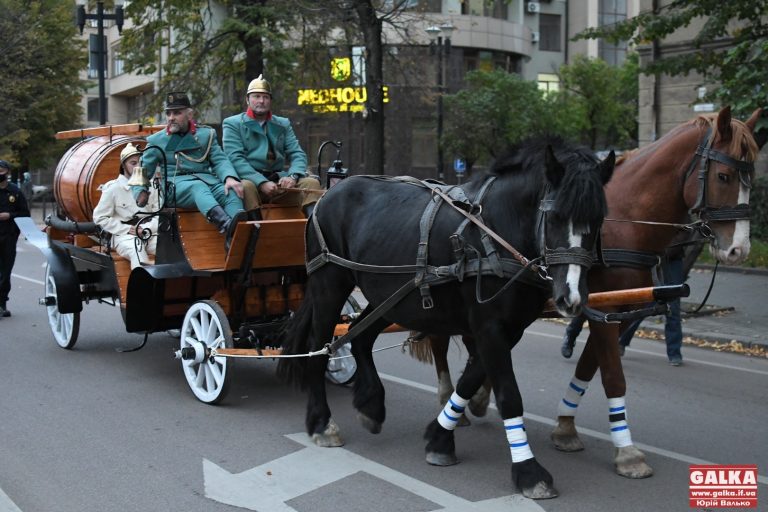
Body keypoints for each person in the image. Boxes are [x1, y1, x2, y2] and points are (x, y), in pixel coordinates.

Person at [131, 92, 246, 250]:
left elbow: (220, 159)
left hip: (207, 181)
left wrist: (229, 178)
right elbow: (141, 171)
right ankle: (227, 227)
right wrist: (140, 192)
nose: (171, 117)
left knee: (231, 191)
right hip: (175, 186)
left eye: (177, 113)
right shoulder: (157, 140)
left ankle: (238, 236)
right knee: (197, 188)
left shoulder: (206, 135)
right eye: (168, 113)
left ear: (189, 114)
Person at [222, 74, 320, 218]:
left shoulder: (282, 123)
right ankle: (256, 232)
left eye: (266, 97)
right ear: (247, 99)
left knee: (311, 184)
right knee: (246, 187)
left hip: (278, 182)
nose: (261, 101)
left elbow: (297, 154)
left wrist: (292, 177)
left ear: (270, 101)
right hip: (252, 182)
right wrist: (261, 182)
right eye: (256, 96)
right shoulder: (232, 123)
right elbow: (235, 159)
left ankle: (313, 232)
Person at [618, 244, 687, 366]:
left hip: (672, 260)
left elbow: (684, 234)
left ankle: (674, 353)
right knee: (645, 304)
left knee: (673, 307)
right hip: (653, 259)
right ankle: (622, 341)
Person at [93, 143, 160, 269]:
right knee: (137, 249)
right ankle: (142, 286)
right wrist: (127, 229)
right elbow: (100, 217)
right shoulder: (113, 188)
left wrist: (147, 228)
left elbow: (160, 215)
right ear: (123, 165)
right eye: (133, 163)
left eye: (141, 163)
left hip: (149, 233)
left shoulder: (151, 186)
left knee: (170, 248)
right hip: (124, 236)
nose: (138, 167)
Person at [0, 159, 30, 317]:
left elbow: (25, 214)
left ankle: (2, 303)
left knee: (5, 272)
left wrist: (10, 215)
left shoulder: (15, 192)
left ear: (7, 173)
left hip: (9, 237)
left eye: (2, 171)